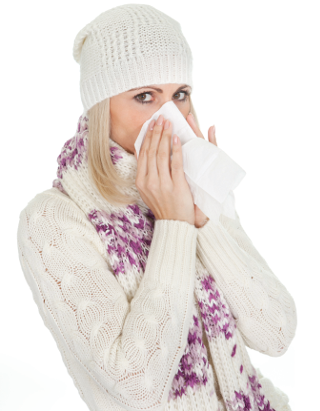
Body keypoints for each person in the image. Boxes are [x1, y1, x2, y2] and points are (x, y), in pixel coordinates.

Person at [16, 4, 297, 411]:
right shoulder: (53, 221)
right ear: (100, 108)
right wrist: (174, 224)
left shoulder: (197, 185)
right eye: (144, 96)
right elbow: (136, 386)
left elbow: (277, 333)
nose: (170, 116)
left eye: (179, 95)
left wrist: (202, 219)